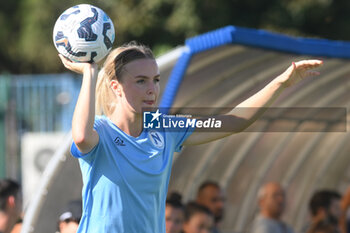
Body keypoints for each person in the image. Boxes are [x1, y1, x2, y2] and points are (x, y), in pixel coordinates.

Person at [58, 40, 322, 232]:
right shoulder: (101, 132)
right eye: (141, 81)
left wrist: (280, 84)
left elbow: (230, 122)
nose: (152, 89)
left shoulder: (165, 128)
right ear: (116, 87)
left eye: (156, 80)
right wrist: (90, 73)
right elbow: (80, 137)